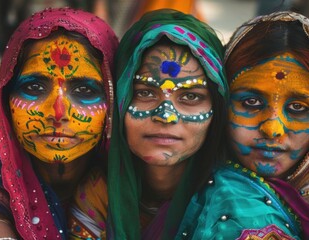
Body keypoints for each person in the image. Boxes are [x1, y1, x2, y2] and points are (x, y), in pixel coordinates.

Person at [0, 7, 118, 240]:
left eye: (84, 90)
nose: (58, 113)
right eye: (34, 88)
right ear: (5, 99)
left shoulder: (130, 182)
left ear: (113, 101)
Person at [177, 11, 309, 239]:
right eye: (252, 102)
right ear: (222, 103)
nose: (272, 129)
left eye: (298, 108)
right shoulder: (236, 210)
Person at [106, 9, 228, 239]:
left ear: (217, 109)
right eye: (144, 93)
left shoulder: (235, 207)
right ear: (118, 100)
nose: (166, 116)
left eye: (191, 97)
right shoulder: (95, 193)